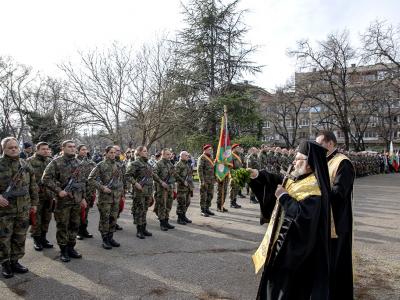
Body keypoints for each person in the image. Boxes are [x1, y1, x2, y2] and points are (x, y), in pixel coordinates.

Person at [248, 141, 331, 300]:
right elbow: (278, 180)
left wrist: (284, 197)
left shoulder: (315, 188)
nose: (294, 161)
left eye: (299, 158)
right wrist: (257, 175)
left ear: (310, 164)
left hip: (295, 253)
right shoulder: (301, 177)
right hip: (280, 243)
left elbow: (304, 218)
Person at [316, 130, 355, 300]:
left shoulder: (343, 163)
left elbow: (339, 194)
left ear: (330, 143)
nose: (318, 147)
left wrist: (316, 195)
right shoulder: (324, 161)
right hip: (324, 219)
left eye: (320, 144)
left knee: (337, 261)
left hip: (337, 222)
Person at [42, 140, 87, 262]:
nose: (72, 149)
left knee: (74, 225)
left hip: (76, 200)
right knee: (63, 226)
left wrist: (83, 198)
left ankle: (71, 248)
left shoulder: (79, 163)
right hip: (63, 202)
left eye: (74, 147)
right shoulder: (56, 162)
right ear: (63, 148)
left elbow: (82, 182)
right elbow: (45, 179)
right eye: (69, 147)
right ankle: (63, 251)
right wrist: (58, 191)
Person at [0, 137, 38, 278]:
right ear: (3, 148)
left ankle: (15, 261)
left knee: (20, 237)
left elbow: (33, 185)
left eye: (16, 147)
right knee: (3, 238)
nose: (14, 149)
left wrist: (34, 204)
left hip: (23, 209)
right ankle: (5, 264)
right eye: (10, 147)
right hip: (4, 211)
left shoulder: (25, 164)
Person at [88, 146, 126, 249]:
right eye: (111, 152)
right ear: (106, 153)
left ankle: (111, 237)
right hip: (105, 198)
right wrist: (102, 188)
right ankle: (105, 239)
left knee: (113, 218)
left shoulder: (118, 165)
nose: (113, 154)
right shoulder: (100, 165)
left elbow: (121, 181)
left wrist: (122, 194)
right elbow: (91, 179)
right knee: (105, 218)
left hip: (116, 197)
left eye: (114, 153)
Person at [125, 146, 166, 239]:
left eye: (146, 151)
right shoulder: (135, 163)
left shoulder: (147, 163)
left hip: (148, 191)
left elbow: (153, 175)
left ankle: (143, 228)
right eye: (144, 151)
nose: (146, 152)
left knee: (145, 210)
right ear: (139, 153)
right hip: (140, 191)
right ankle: (139, 230)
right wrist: (135, 183)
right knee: (139, 210)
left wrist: (161, 182)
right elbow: (127, 176)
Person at [27, 142, 54, 251]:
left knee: (46, 218)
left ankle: (43, 238)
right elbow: (25, 179)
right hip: (36, 196)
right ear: (36, 150)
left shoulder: (50, 161)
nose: (46, 151)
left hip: (48, 195)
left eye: (47, 149)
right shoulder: (29, 161)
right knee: (36, 219)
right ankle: (36, 239)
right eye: (43, 149)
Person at [76, 144, 97, 240]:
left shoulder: (91, 163)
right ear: (78, 151)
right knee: (78, 212)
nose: (85, 151)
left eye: (86, 149)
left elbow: (95, 177)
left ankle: (84, 229)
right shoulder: (75, 162)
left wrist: (94, 191)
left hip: (89, 191)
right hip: (78, 192)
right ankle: (78, 231)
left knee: (86, 211)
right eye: (82, 150)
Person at [153, 149, 176, 231]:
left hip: (169, 187)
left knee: (169, 205)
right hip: (161, 188)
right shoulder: (159, 164)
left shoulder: (170, 163)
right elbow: (154, 174)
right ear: (162, 154)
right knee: (162, 205)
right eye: (167, 154)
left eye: (170, 154)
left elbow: (173, 176)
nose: (169, 156)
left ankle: (166, 221)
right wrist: (161, 182)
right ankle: (162, 223)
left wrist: (174, 187)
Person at [174, 151, 194, 225]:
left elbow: (189, 176)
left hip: (188, 187)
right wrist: (182, 181)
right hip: (182, 187)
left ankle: (184, 215)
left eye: (188, 156)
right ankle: (180, 218)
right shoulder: (178, 165)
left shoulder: (187, 164)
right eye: (186, 155)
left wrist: (191, 186)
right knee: (181, 202)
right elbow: (175, 175)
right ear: (181, 156)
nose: (188, 157)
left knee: (187, 202)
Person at [197, 144, 215, 217]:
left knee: (210, 195)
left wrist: (215, 178)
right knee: (203, 196)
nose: (211, 151)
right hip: (205, 180)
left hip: (211, 180)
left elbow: (213, 169)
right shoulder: (202, 158)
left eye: (211, 149)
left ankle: (207, 208)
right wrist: (202, 181)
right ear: (205, 150)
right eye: (209, 149)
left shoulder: (211, 158)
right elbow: (199, 170)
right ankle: (203, 210)